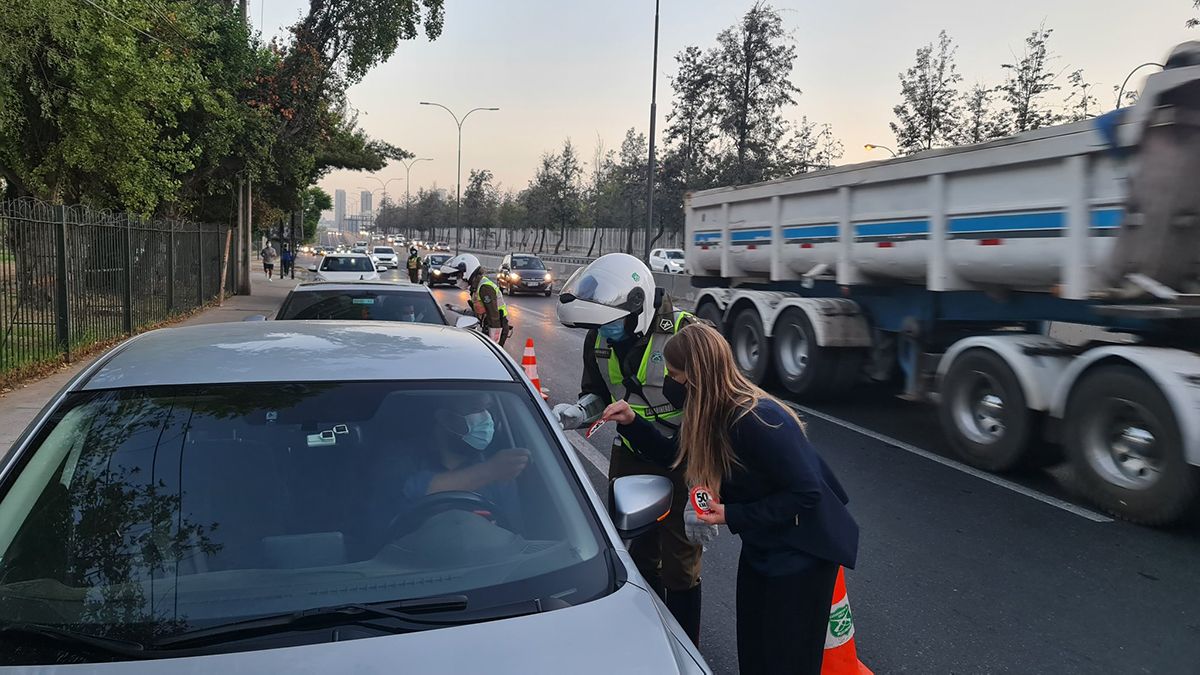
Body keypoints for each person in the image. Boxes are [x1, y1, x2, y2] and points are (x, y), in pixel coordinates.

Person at [602, 322, 860, 675]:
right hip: (765, 544)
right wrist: (633, 421)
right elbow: (674, 454)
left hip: (802, 554)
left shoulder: (756, 419)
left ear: (695, 376)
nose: (670, 384)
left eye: (674, 376)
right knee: (754, 647)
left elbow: (807, 492)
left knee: (785, 657)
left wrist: (731, 514)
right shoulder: (710, 416)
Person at [551, 252, 704, 645]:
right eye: (600, 328)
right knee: (634, 546)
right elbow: (598, 393)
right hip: (633, 452)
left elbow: (716, 417)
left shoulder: (688, 335)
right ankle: (645, 634)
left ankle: (685, 649)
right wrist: (581, 409)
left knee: (681, 561)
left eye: (613, 325)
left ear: (639, 308)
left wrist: (706, 489)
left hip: (685, 457)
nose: (605, 334)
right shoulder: (599, 337)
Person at [442, 253, 510, 345]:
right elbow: (478, 312)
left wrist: (494, 343)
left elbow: (494, 317)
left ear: (467, 272)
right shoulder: (476, 287)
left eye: (459, 276)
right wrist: (456, 309)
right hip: (489, 326)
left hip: (497, 328)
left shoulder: (484, 288)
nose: (458, 279)